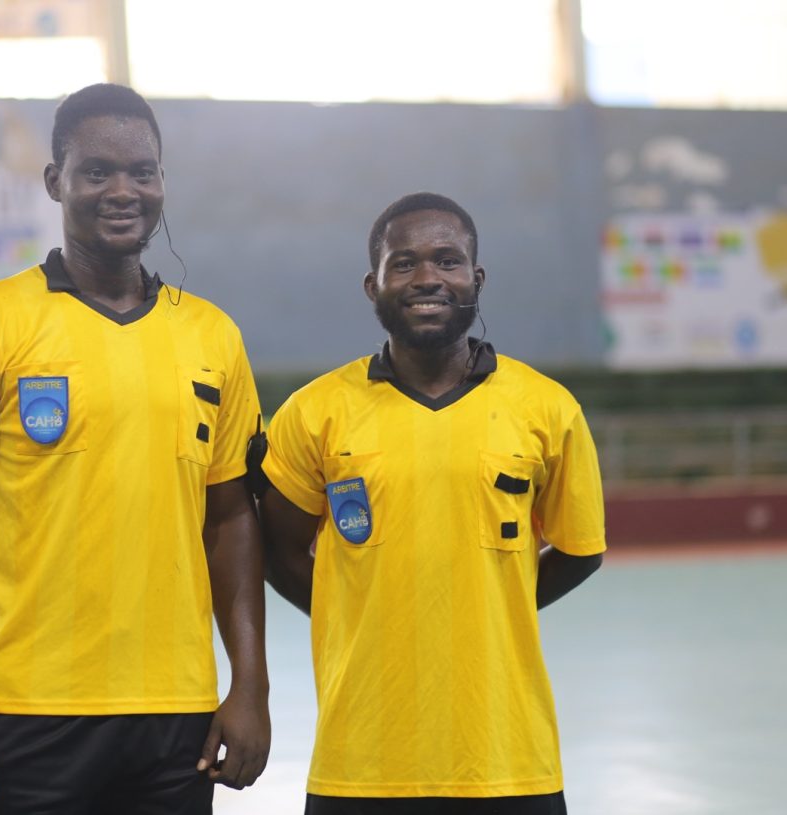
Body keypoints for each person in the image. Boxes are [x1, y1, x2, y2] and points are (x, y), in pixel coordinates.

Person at [0, 83, 270, 815]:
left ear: (163, 181)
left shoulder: (212, 337)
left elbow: (231, 521)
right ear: (55, 181)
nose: (122, 190)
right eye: (97, 171)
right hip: (23, 707)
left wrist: (250, 686)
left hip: (176, 712)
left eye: (143, 171)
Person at [258, 193, 606, 814]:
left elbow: (581, 552)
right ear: (374, 284)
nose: (427, 279)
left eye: (447, 261)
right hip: (359, 764)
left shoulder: (548, 409)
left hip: (508, 763)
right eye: (404, 263)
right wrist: (362, 610)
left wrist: (487, 605)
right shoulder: (315, 413)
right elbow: (278, 551)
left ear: (476, 278)